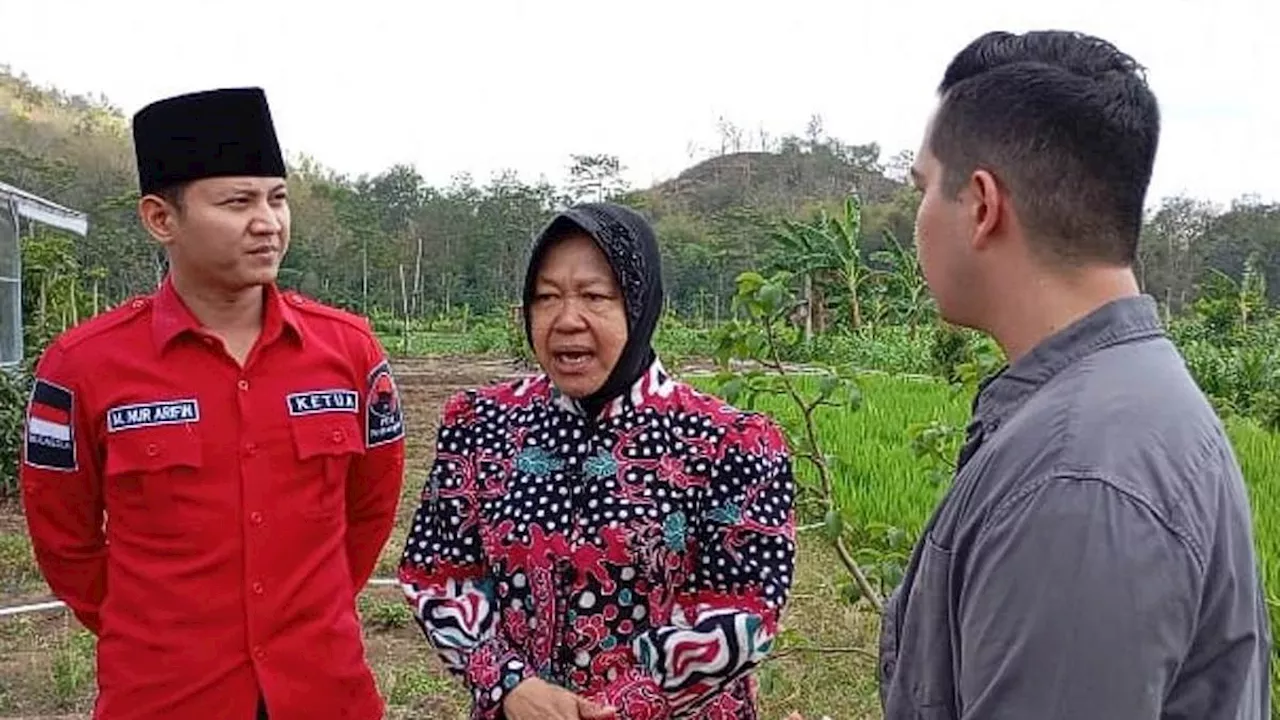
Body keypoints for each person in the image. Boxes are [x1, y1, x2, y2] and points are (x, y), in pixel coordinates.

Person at [879, 29, 1273, 719]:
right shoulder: (1120, 403)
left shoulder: (1078, 478)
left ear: (980, 205)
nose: (917, 220)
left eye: (921, 189)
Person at [20, 87, 406, 720]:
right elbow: (65, 541)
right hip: (166, 697)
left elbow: (369, 511)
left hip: (322, 690)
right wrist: (163, 631)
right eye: (238, 202)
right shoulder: (83, 365)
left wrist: (304, 611)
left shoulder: (349, 350)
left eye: (277, 198)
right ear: (160, 219)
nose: (268, 221)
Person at [397, 201, 797, 720]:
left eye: (594, 296)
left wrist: (618, 706)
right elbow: (436, 574)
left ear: (638, 303)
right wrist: (507, 684)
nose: (567, 320)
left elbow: (743, 611)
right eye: (546, 297)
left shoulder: (730, 443)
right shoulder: (480, 424)